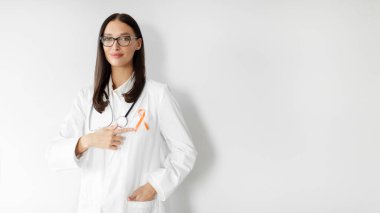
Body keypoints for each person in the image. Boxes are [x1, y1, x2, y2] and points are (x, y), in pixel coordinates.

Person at [46, 13, 197, 213]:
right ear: (102, 45)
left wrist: (155, 186)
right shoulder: (86, 98)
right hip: (93, 206)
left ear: (138, 44)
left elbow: (185, 151)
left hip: (135, 204)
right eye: (108, 39)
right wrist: (88, 140)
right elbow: (53, 155)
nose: (115, 46)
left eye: (124, 38)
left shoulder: (157, 95)